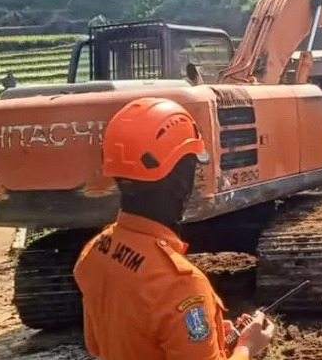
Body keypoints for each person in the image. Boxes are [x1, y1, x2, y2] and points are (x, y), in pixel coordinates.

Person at [73, 97, 276, 360]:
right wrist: (247, 346)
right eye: (193, 170)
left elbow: (99, 345)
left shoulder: (97, 250)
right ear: (182, 184)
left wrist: (212, 337)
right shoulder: (181, 286)